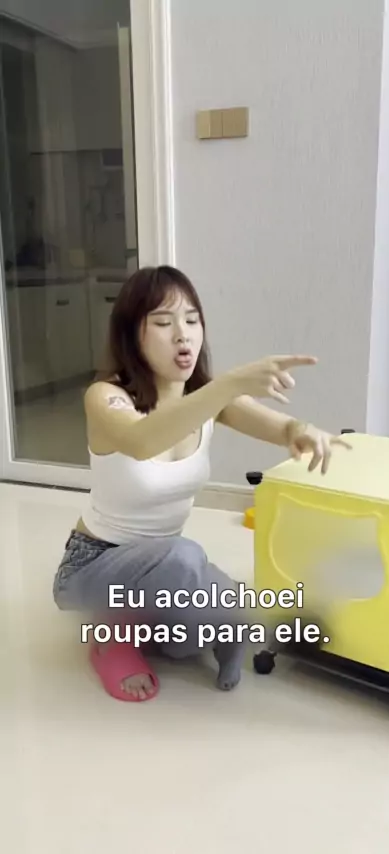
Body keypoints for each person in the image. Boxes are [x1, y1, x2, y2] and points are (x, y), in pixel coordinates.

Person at [53, 266, 351, 702]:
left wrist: (303, 431)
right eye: (163, 322)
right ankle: (113, 639)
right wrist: (228, 385)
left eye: (192, 320)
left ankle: (189, 627)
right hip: (94, 566)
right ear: (131, 335)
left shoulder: (208, 398)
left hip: (165, 564)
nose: (183, 335)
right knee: (185, 557)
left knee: (227, 606)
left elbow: (283, 428)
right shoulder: (106, 396)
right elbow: (141, 440)